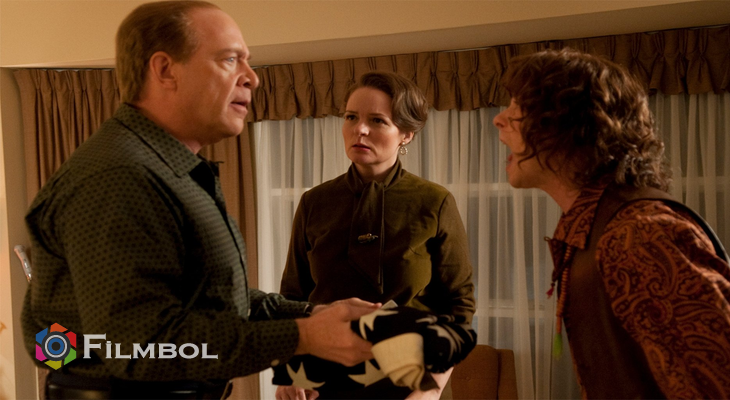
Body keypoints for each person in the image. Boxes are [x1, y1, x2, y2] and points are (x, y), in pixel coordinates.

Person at [22, 1, 378, 398]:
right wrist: (302, 337)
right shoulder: (119, 177)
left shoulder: (167, 171)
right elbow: (140, 348)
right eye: (230, 59)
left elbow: (210, 299)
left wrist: (314, 315)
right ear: (165, 70)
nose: (252, 77)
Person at [494, 48, 730, 399]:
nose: (499, 119)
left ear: (575, 124)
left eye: (517, 107)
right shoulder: (593, 228)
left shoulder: (638, 236)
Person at [275, 71, 476, 400]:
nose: (360, 129)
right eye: (351, 117)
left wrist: (430, 391)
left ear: (406, 134)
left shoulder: (434, 202)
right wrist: (291, 370)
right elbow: (293, 297)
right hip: (322, 382)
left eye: (377, 120)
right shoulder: (315, 202)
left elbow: (458, 304)